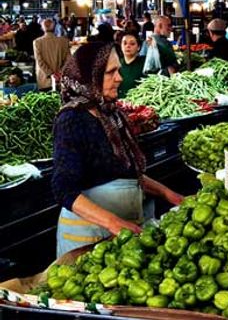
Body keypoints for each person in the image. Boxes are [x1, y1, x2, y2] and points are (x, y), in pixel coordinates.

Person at [51, 42, 183, 257]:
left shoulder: (112, 114)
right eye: (110, 72)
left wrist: (169, 194)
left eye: (118, 70)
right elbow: (63, 189)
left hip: (121, 233)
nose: (119, 78)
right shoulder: (72, 119)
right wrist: (114, 223)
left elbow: (127, 172)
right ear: (88, 76)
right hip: (88, 237)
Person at [33, 18, 70, 90]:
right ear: (54, 27)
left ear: (42, 28)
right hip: (60, 78)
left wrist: (51, 74)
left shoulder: (37, 42)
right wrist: (59, 72)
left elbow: (39, 61)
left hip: (44, 78)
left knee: (46, 100)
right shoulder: (64, 41)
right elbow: (68, 60)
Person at [118, 33, 146, 98]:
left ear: (138, 47)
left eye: (132, 44)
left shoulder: (145, 63)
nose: (128, 46)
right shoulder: (116, 63)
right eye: (124, 43)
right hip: (118, 103)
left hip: (137, 103)